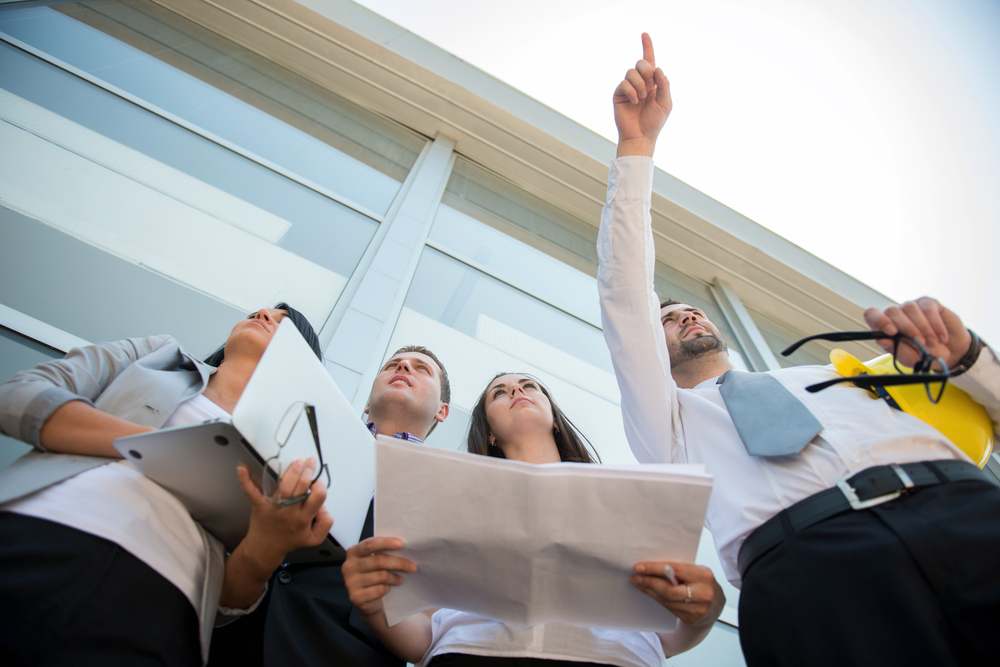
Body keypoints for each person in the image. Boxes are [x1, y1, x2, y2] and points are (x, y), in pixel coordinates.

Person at [599, 32, 1000, 667]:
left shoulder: (842, 378)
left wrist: (970, 357)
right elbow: (625, 291)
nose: (684, 315)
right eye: (667, 318)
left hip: (965, 509)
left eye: (687, 308)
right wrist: (637, 147)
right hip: (811, 573)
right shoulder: (667, 428)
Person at [0, 305, 331, 666]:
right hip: (38, 532)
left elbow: (228, 605)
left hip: (159, 607)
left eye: (283, 323)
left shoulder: (290, 456)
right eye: (262, 310)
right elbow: (17, 395)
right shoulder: (156, 356)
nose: (264, 313)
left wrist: (262, 551)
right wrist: (158, 445)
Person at [342, 372, 726, 666]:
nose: (516, 392)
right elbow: (424, 638)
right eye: (499, 392)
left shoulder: (632, 496)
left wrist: (702, 616)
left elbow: (665, 636)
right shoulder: (445, 496)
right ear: (488, 433)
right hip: (467, 654)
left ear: (555, 418)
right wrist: (374, 606)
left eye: (529, 386)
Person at [207, 344, 451, 667]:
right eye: (393, 364)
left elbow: (434, 623)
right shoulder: (300, 433)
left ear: (442, 411)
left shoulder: (450, 495)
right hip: (224, 636)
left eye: (422, 368)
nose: (404, 367)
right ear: (366, 403)